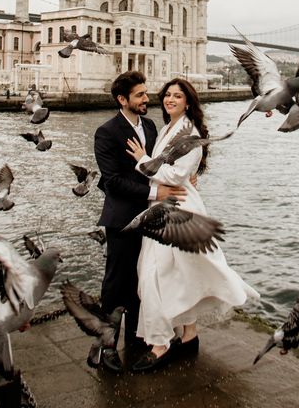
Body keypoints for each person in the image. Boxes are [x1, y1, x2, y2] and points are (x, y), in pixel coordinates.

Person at [126, 78, 260, 373]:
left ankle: (160, 345)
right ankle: (189, 336)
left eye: (177, 96)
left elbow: (174, 176)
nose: (170, 100)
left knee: (153, 275)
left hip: (178, 209)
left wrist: (142, 160)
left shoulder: (192, 132)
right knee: (178, 274)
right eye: (167, 95)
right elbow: (178, 173)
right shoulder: (166, 128)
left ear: (189, 102)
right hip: (165, 208)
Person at [94, 70, 186, 372]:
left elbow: (161, 164)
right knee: (115, 283)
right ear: (123, 100)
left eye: (146, 93)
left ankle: (136, 337)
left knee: (142, 279)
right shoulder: (106, 132)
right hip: (122, 217)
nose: (148, 99)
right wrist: (155, 191)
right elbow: (113, 182)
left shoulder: (150, 125)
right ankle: (105, 348)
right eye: (140, 95)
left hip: (150, 218)